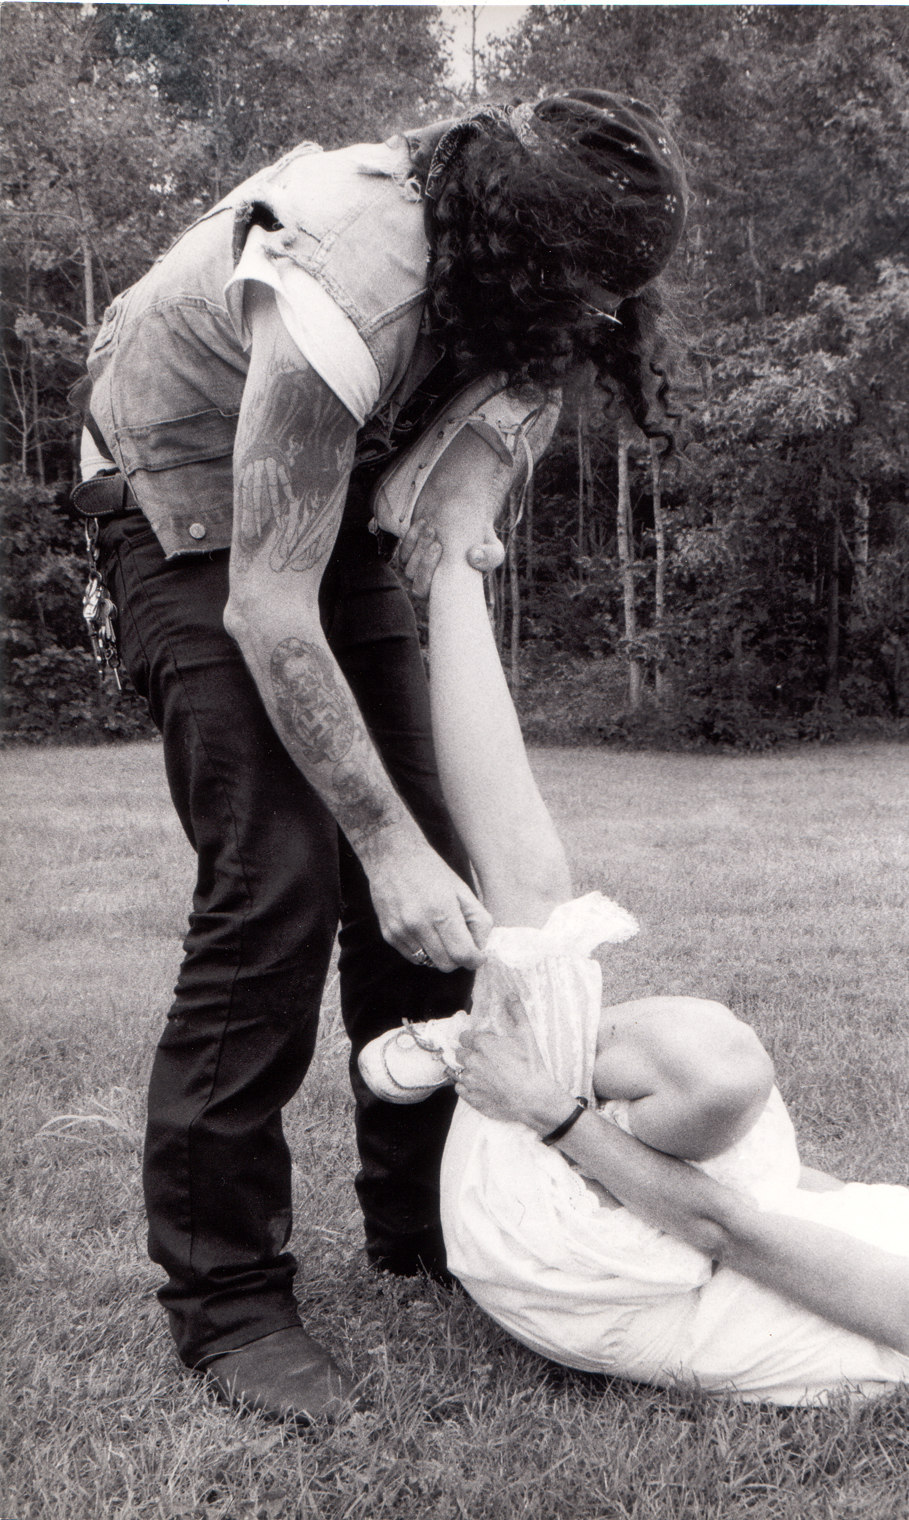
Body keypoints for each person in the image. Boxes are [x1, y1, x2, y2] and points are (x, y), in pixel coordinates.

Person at [72, 91, 688, 1421]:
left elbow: (440, 529)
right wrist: (384, 846)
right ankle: (228, 1301)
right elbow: (264, 608)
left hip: (327, 520)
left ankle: (424, 1230)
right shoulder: (352, 272)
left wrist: (462, 867)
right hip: (176, 515)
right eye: (579, 289)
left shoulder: (527, 306)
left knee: (433, 887)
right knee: (283, 875)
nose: (596, 321)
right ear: (509, 244)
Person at [358, 482, 909, 1408]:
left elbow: (730, 1231)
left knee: (554, 910)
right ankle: (484, 1033)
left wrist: (548, 1111)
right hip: (638, 1231)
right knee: (719, 1079)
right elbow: (789, 1187)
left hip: (577, 1274)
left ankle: (453, 560)